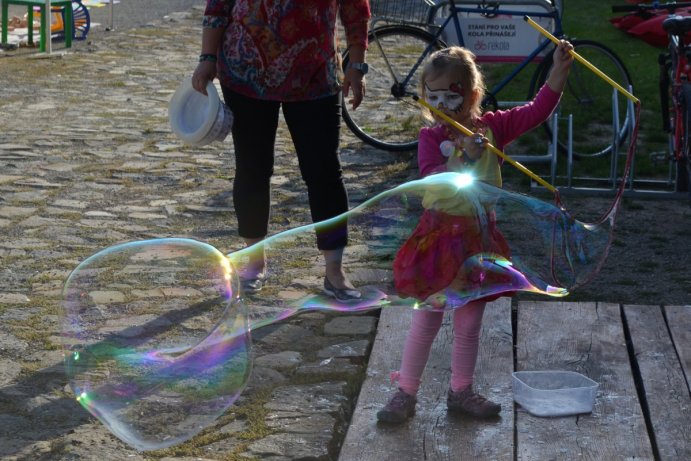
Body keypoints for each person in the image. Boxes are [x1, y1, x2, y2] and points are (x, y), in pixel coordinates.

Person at [377, 42, 574, 423]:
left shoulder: (494, 127)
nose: (441, 104)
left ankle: (461, 391)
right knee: (427, 318)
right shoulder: (430, 137)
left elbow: (537, 111)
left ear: (471, 94)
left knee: (469, 323)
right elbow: (431, 175)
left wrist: (559, 72)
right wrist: (463, 156)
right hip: (438, 239)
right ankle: (405, 392)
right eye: (431, 96)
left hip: (477, 239)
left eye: (450, 95)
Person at [191, 0, 370, 301]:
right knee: (252, 168)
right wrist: (207, 57)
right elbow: (218, 5)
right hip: (246, 73)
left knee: (324, 171)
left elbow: (356, 8)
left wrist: (357, 64)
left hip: (316, 74)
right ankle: (254, 261)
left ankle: (334, 271)